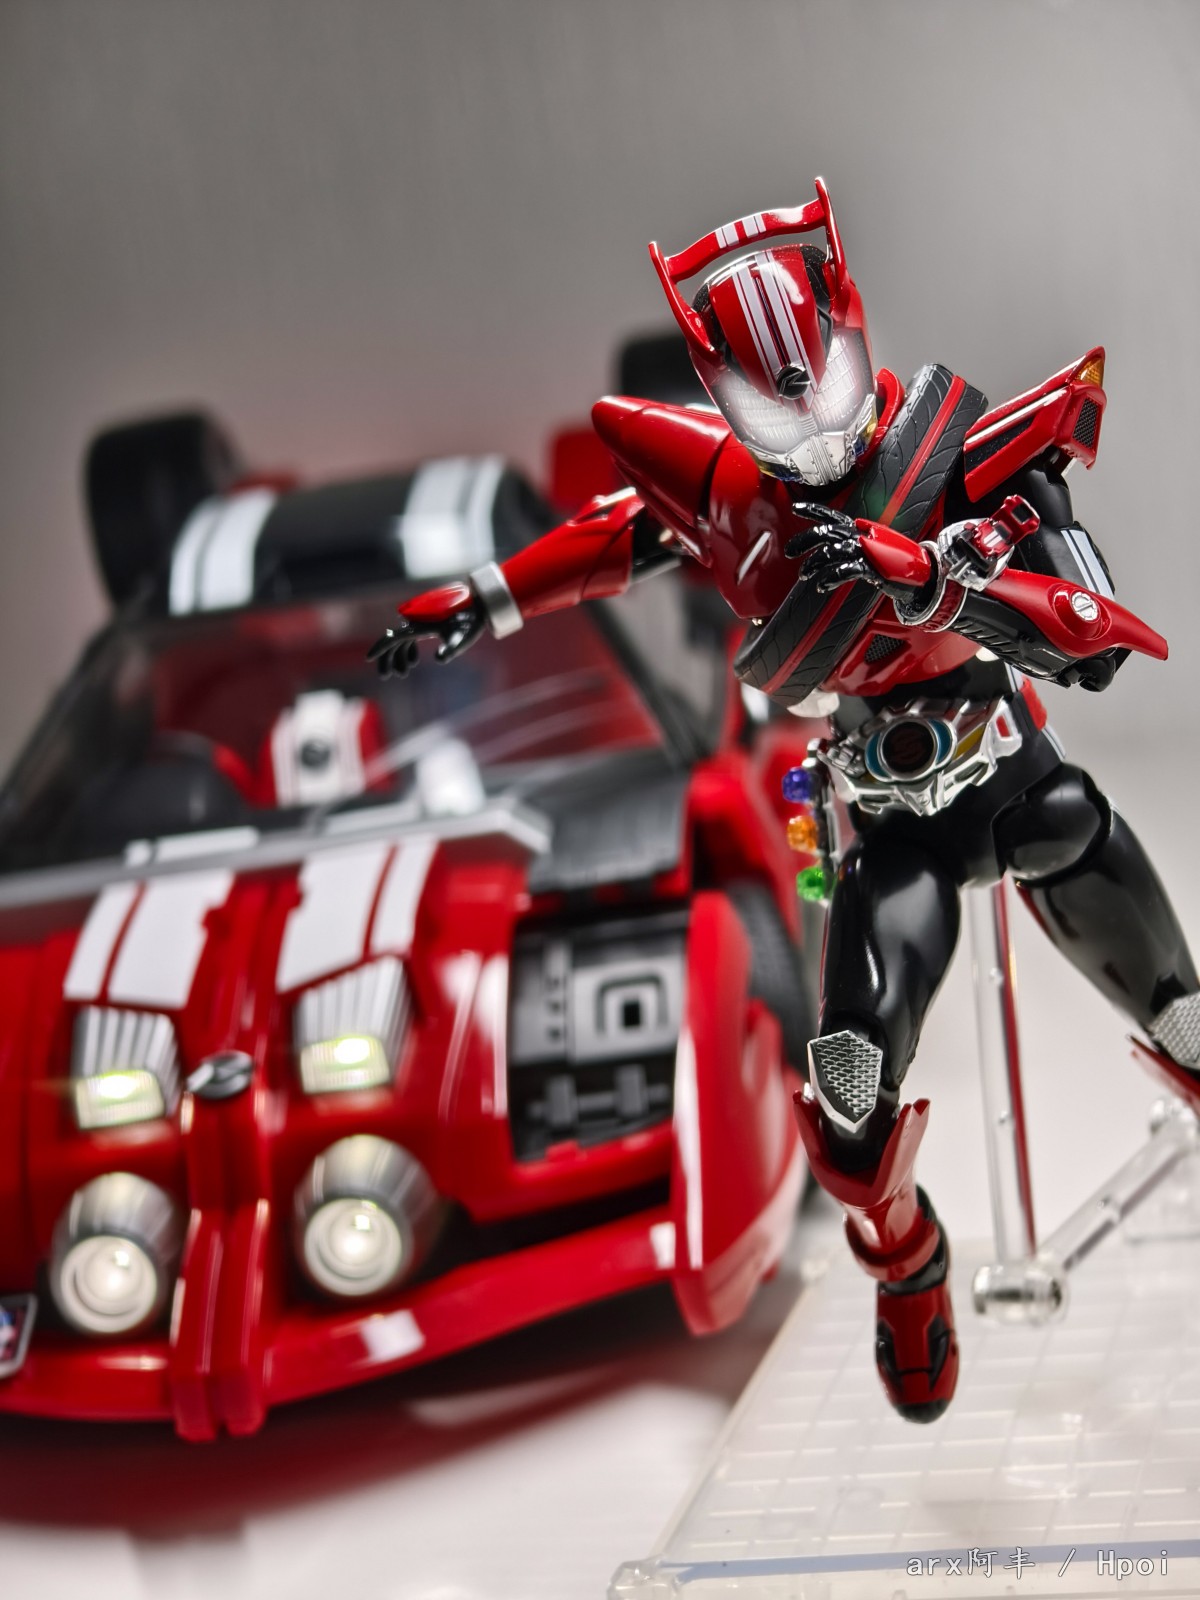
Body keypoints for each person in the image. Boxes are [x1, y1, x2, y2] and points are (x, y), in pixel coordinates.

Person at [370, 179, 1199, 1421]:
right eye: (769, 409)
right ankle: (906, 1261)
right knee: (849, 1107)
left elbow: (1092, 641)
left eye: (819, 389)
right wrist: (480, 601)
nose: (810, 435)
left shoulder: (962, 451)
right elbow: (610, 540)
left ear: (850, 335)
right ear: (723, 395)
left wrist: (943, 587)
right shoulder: (728, 498)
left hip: (1022, 785)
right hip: (894, 829)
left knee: (1189, 1021)